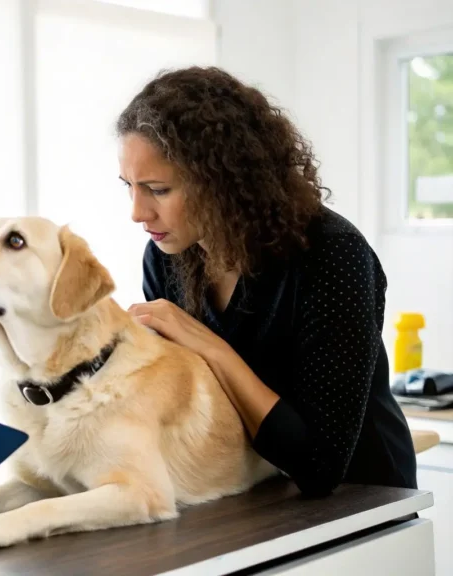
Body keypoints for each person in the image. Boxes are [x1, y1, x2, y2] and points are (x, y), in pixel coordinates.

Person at [117, 66, 418, 497]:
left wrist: (208, 345)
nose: (137, 212)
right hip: (257, 493)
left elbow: (319, 464)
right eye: (128, 186)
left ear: (221, 181)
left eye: (157, 189)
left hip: (363, 496)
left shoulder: (333, 253)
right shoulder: (165, 258)